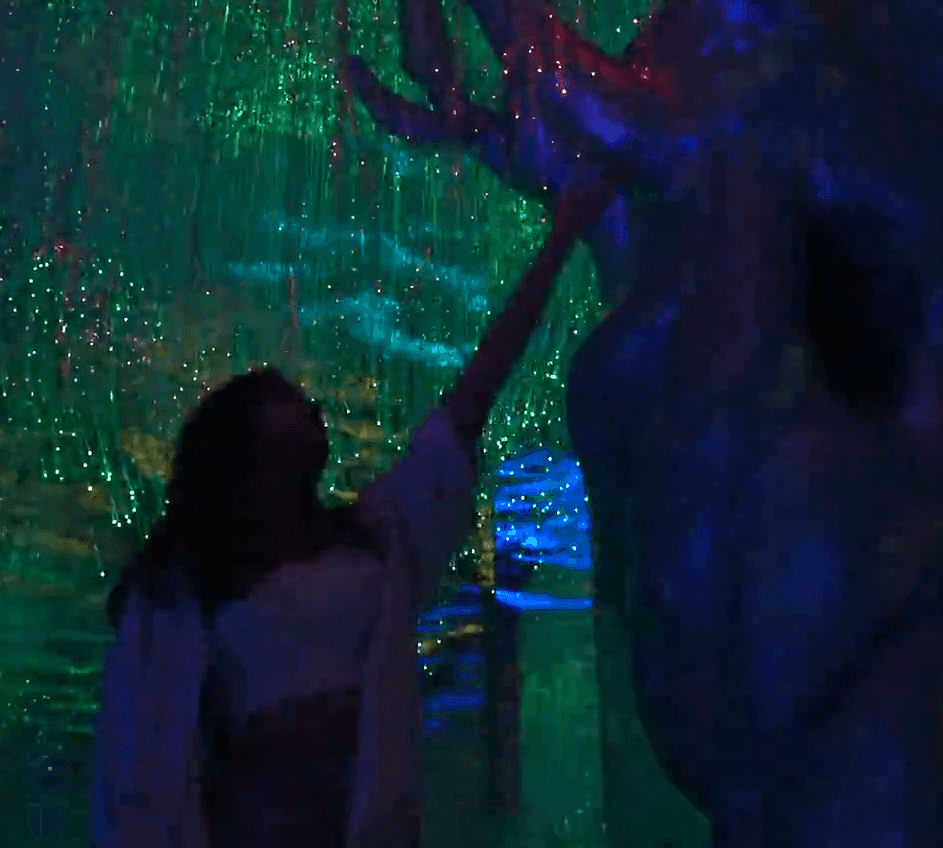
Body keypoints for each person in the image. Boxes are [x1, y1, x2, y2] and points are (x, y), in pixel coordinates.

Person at [92, 180, 622, 848]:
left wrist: (561, 238)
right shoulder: (181, 590)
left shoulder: (375, 539)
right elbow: (141, 775)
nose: (309, 405)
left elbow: (474, 395)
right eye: (285, 400)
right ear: (244, 454)